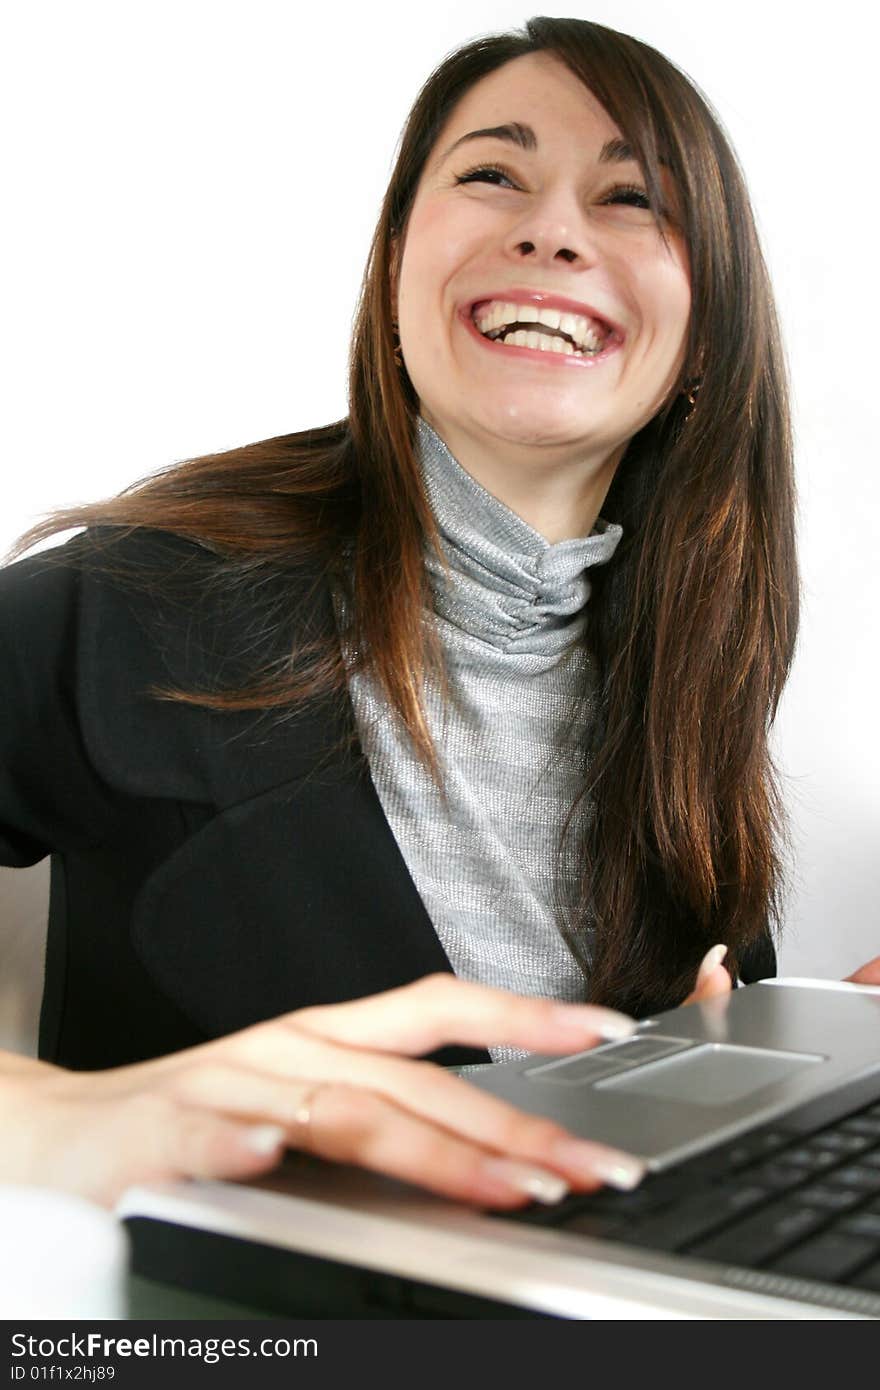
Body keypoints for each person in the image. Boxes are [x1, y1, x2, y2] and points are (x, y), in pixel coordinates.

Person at [1, 16, 877, 1214]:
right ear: (398, 258)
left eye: (632, 198)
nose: (550, 228)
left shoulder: (693, 679)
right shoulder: (131, 601)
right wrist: (49, 1117)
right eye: (491, 174)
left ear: (704, 333)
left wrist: (765, 1070)